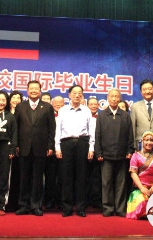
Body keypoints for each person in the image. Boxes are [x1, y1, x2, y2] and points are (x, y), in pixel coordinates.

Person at [15, 80, 55, 217]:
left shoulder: (47, 107)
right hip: (23, 148)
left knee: (38, 178)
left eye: (36, 89)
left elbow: (52, 129)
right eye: (31, 88)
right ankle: (23, 205)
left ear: (40, 91)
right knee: (24, 178)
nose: (33, 91)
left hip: (41, 148)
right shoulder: (20, 106)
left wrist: (50, 146)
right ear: (27, 91)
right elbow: (16, 128)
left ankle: (36, 205)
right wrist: (16, 145)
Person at [55, 85, 94, 217]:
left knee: (81, 177)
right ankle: (67, 207)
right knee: (66, 177)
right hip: (66, 143)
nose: (77, 95)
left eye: (79, 93)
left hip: (82, 143)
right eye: (74, 93)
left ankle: (81, 207)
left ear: (82, 95)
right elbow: (58, 130)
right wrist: (57, 147)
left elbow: (91, 130)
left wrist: (91, 147)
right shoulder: (63, 110)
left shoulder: (86, 110)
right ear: (69, 95)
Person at [95, 89, 134, 217]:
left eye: (116, 97)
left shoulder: (125, 115)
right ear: (107, 98)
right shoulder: (102, 115)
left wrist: (129, 150)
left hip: (122, 155)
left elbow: (130, 135)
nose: (114, 99)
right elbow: (98, 135)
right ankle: (107, 208)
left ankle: (120, 208)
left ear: (119, 99)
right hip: (106, 156)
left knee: (121, 184)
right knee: (106, 183)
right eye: (111, 96)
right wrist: (99, 153)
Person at [126, 131, 153, 220]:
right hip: (140, 188)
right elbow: (133, 173)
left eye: (151, 140)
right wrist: (142, 188)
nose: (149, 142)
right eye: (146, 140)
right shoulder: (135, 156)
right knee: (142, 202)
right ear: (142, 141)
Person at [44, 95, 64, 210]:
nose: (58, 104)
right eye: (55, 102)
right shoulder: (47, 115)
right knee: (50, 177)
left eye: (60, 102)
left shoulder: (67, 115)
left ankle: (61, 201)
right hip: (50, 150)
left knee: (62, 177)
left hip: (63, 150)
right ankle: (49, 201)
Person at [6, 89, 23, 211]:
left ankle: (15, 202)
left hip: (19, 148)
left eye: (18, 98)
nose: (16, 100)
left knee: (17, 176)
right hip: (4, 147)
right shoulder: (5, 112)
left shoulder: (23, 112)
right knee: (5, 175)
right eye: (14, 98)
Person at [86, 97, 102, 209]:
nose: (93, 106)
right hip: (84, 149)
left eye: (95, 104)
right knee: (84, 176)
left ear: (98, 106)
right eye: (91, 104)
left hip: (98, 150)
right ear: (87, 105)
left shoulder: (102, 117)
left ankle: (96, 200)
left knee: (97, 177)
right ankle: (85, 199)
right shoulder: (83, 116)